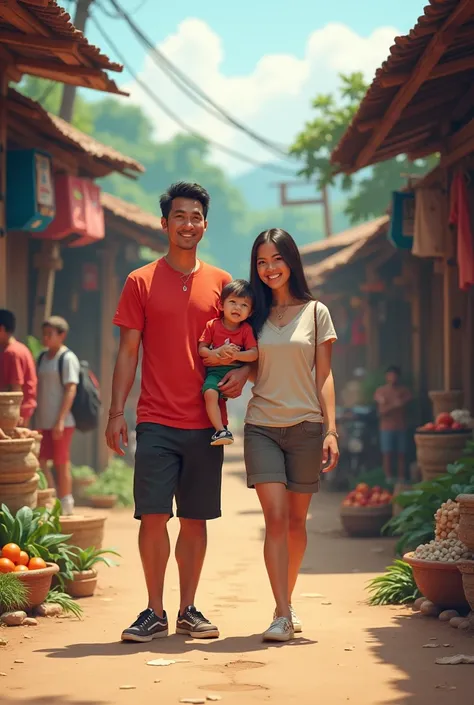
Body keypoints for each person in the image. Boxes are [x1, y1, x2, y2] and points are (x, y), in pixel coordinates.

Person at [106, 182, 249, 644]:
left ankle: (188, 608)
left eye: (196, 217)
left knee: (194, 518)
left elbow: (248, 346)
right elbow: (128, 352)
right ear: (164, 223)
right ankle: (153, 610)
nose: (188, 224)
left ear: (205, 225)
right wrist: (115, 412)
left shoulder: (224, 284)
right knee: (152, 515)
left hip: (207, 422)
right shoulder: (139, 281)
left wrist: (242, 378)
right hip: (155, 419)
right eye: (180, 216)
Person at [244, 228, 339, 642]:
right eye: (262, 262)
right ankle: (281, 613)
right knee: (276, 518)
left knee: (297, 522)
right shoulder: (252, 314)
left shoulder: (316, 312)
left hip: (306, 427)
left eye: (276, 260)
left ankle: (287, 600)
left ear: (291, 261)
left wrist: (331, 429)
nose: (269, 269)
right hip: (261, 425)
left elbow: (325, 374)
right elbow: (246, 363)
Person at [199, 279, 258, 446]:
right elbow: (201, 349)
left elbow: (254, 354)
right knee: (209, 393)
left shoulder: (246, 330)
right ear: (221, 305)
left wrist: (236, 357)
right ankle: (220, 431)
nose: (237, 308)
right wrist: (215, 353)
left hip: (234, 372)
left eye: (244, 305)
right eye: (232, 302)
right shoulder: (213, 325)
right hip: (215, 372)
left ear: (250, 312)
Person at [36, 316, 80, 516]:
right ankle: (52, 499)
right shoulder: (42, 357)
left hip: (62, 421)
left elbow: (71, 389)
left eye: (50, 334)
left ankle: (66, 501)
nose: (45, 338)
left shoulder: (67, 358)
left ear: (62, 335)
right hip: (43, 420)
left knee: (61, 462)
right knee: (41, 460)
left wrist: (60, 420)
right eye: (44, 334)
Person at [374, 365, 412, 484]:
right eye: (390, 375)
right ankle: (388, 477)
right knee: (387, 453)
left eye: (395, 375)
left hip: (401, 426)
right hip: (386, 427)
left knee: (402, 453)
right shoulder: (381, 391)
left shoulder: (404, 391)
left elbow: (406, 402)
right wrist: (394, 405)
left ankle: (401, 477)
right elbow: (381, 411)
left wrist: (390, 405)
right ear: (386, 376)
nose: (392, 377)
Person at [0, 309, 37, 426]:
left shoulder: (12, 352)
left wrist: (15, 414)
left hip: (14, 414)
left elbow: (16, 388)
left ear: (1, 329)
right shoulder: (18, 349)